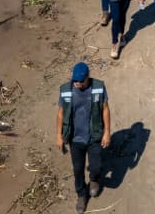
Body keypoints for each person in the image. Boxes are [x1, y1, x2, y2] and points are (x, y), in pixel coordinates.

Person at [56, 62, 110, 214]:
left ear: (88, 77)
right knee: (78, 169)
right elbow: (60, 113)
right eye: (75, 80)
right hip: (75, 140)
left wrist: (107, 133)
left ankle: (94, 179)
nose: (78, 84)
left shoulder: (98, 87)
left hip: (94, 137)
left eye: (81, 80)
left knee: (95, 165)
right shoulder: (66, 90)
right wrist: (58, 136)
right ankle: (81, 194)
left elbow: (105, 109)